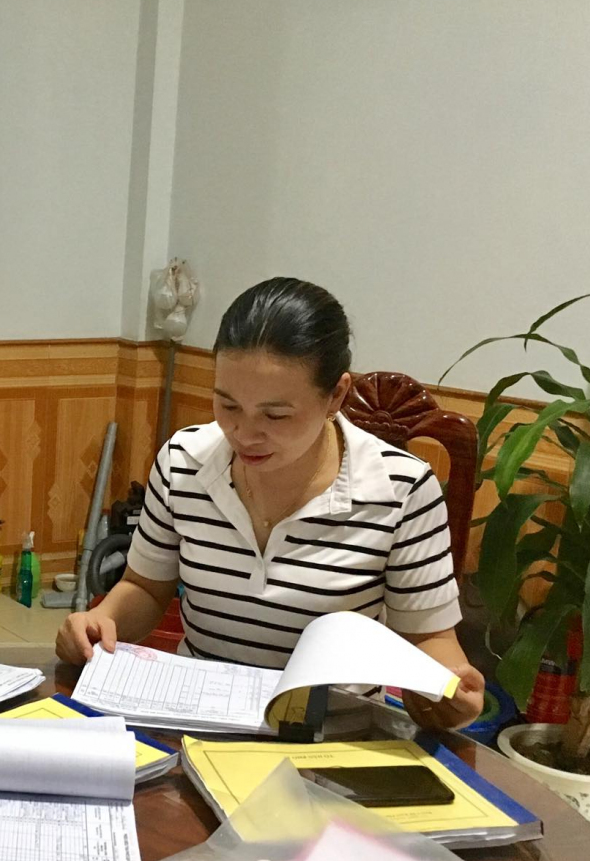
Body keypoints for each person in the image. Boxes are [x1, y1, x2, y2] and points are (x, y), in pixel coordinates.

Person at [56, 277, 485, 731]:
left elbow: (429, 638)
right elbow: (145, 589)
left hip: (334, 735)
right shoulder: (184, 461)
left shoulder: (402, 489)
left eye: (275, 415)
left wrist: (448, 688)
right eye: (228, 405)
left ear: (336, 395)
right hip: (199, 721)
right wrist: (99, 622)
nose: (244, 434)